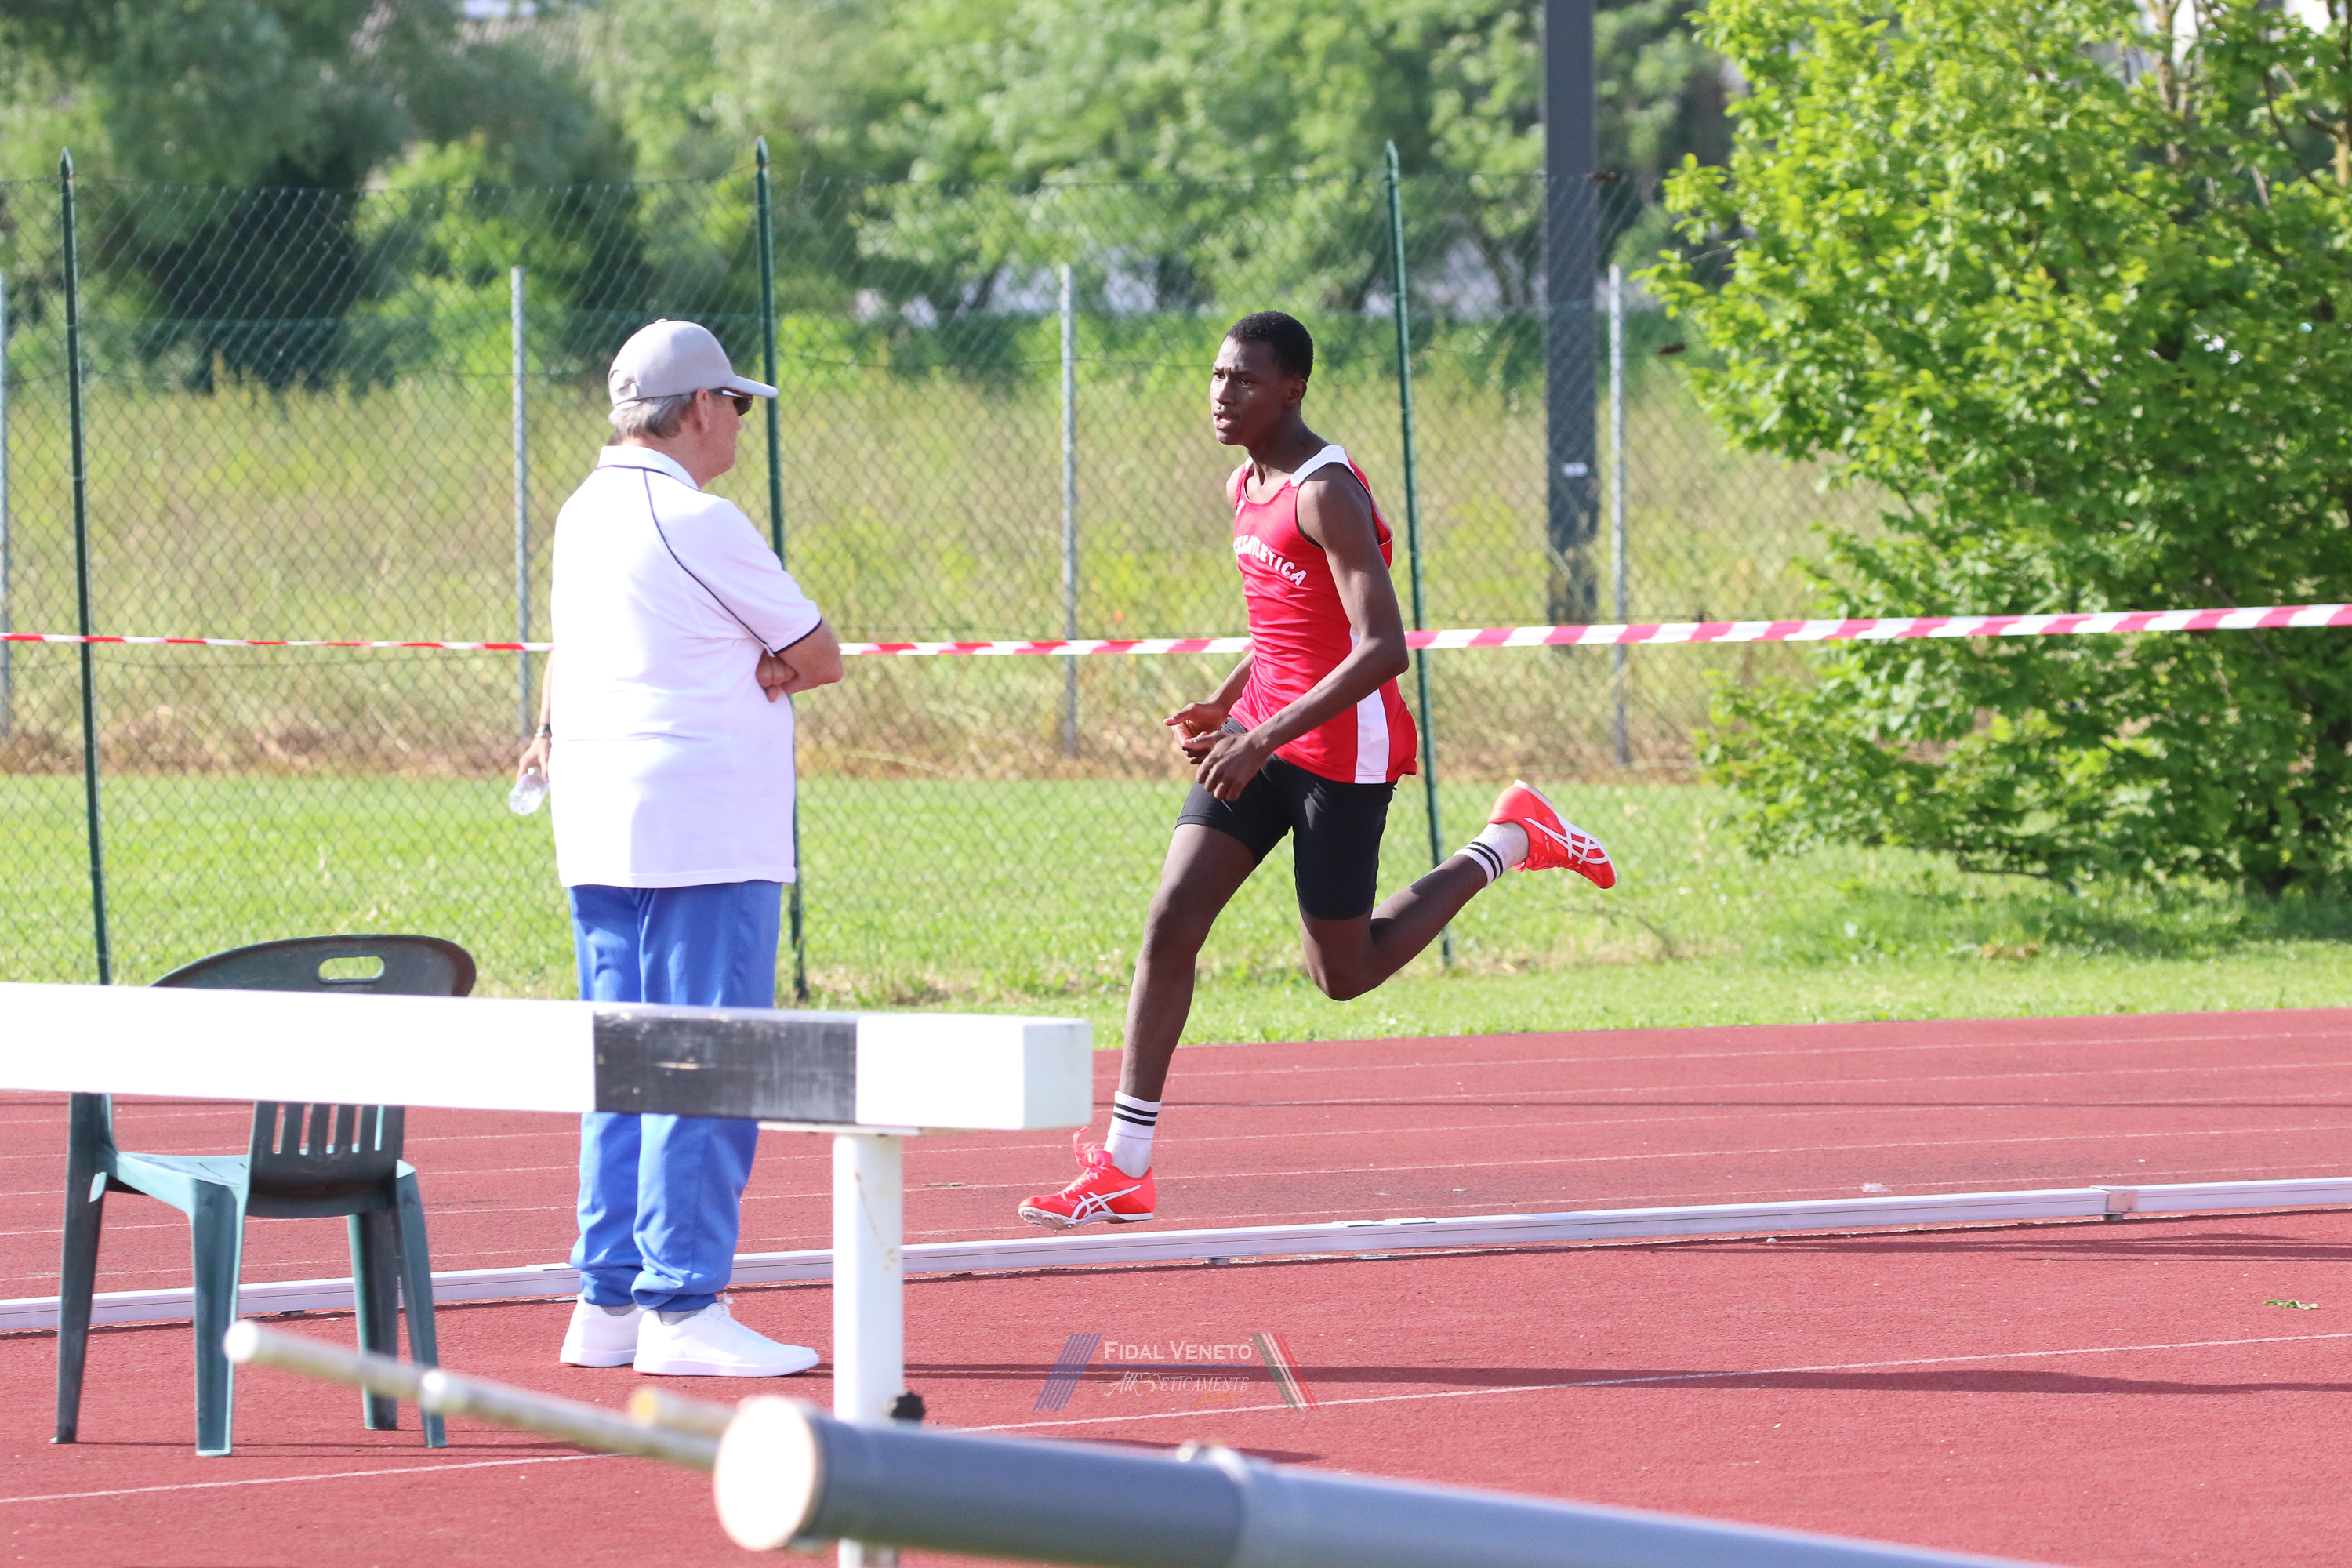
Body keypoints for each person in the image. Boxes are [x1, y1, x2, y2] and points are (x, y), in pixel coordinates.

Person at [1018, 310, 1616, 1230]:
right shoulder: (1243, 484)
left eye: (1245, 380)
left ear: (1292, 389)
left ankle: (1509, 839)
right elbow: (1284, 627)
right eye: (1218, 375)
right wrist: (1228, 702)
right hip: (1262, 732)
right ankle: (1125, 1166)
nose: (1223, 395)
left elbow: (1382, 648)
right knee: (1172, 919)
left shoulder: (1326, 492)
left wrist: (1259, 737)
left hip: (1343, 749)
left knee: (1344, 972)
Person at [516, 318, 844, 1374]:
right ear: (700, 406)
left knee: (623, 1062)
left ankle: (609, 1298)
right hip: (706, 829)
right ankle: (683, 1303)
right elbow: (819, 654)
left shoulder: (581, 510)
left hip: (599, 825)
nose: (739, 420)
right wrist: (772, 664)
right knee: (706, 1060)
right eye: (734, 402)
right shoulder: (699, 519)